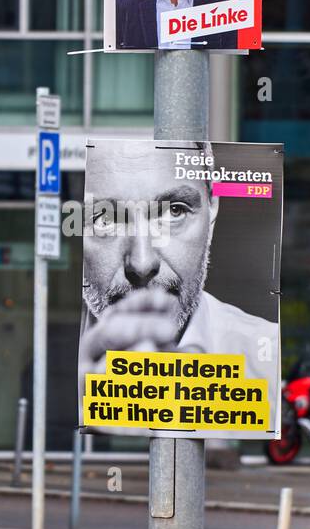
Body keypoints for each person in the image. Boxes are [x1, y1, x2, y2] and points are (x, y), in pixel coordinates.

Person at [79, 141, 276, 386]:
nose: (142, 264)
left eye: (174, 211)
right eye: (105, 218)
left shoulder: (270, 367)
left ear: (211, 210)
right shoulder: (46, 376)